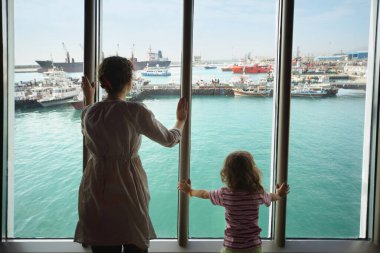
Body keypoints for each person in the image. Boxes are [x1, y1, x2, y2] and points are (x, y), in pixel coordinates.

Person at [74, 56, 188, 253]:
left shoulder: (88, 113)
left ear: (102, 82)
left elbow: (95, 120)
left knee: (102, 243)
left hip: (95, 185)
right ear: (129, 81)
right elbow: (169, 139)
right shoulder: (135, 111)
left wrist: (89, 98)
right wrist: (180, 121)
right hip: (128, 184)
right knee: (133, 239)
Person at [178, 151, 290, 253]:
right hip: (253, 246)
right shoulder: (257, 194)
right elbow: (272, 197)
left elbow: (204, 194)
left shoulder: (225, 194)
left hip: (231, 246)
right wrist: (279, 194)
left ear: (227, 173)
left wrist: (190, 191)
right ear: (252, 172)